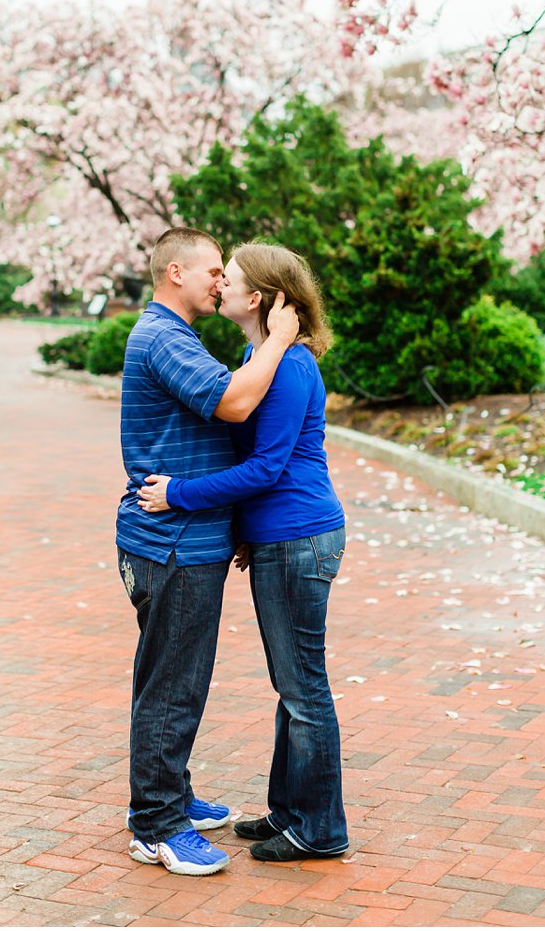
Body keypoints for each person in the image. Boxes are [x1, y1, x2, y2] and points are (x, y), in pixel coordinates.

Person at [138, 241, 348, 862]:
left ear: (255, 297)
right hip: (278, 538)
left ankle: (319, 829)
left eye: (227, 277)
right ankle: (289, 813)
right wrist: (245, 534)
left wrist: (179, 493)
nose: (218, 284)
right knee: (293, 686)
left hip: (299, 535)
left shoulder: (288, 365)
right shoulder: (261, 355)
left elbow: (265, 468)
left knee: (303, 688)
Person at [116, 227, 299, 877]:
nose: (221, 281)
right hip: (172, 544)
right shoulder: (163, 337)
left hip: (184, 539)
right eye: (213, 270)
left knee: (170, 677)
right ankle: (156, 824)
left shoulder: (174, 335)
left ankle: (169, 794)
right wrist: (277, 339)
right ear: (175, 272)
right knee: (174, 683)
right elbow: (233, 400)